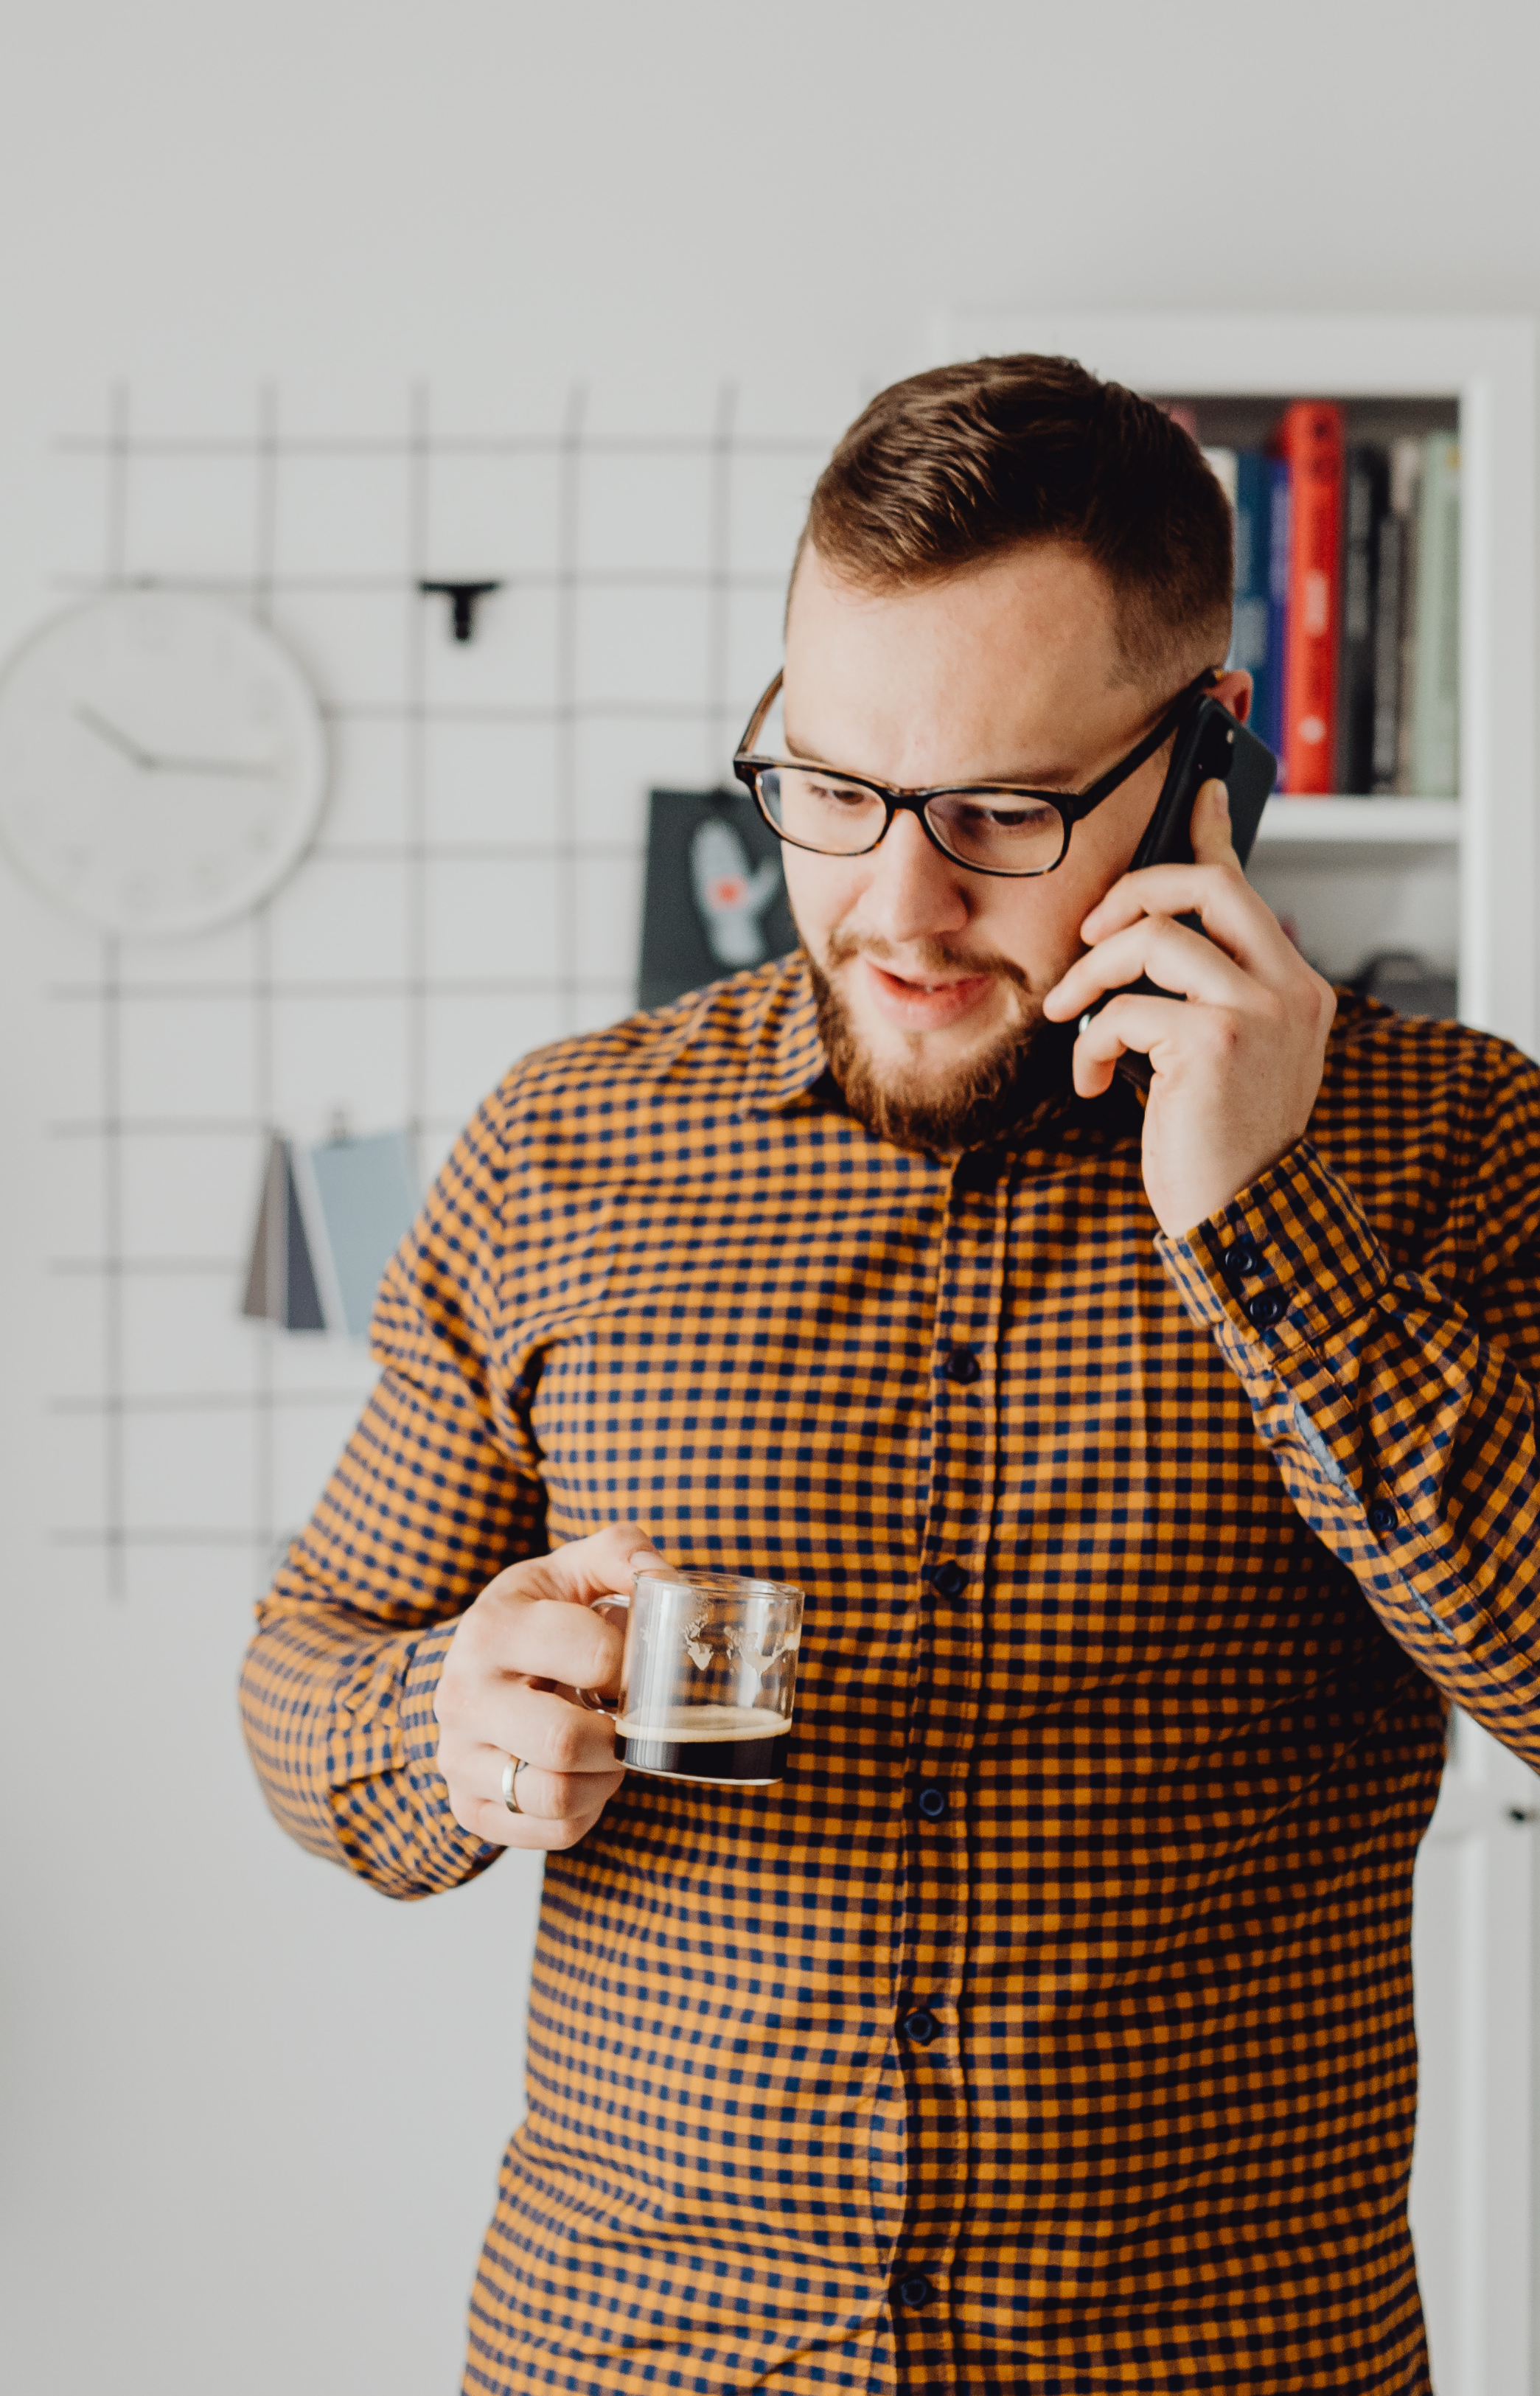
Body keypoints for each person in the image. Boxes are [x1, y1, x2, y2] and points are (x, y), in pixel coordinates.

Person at [240, 355, 1540, 2396]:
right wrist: (443, 1723)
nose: (895, 906)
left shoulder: (1454, 1149)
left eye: (1003, 813)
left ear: (1216, 768)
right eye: (830, 788)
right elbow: (314, 1652)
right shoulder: (563, 1146)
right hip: (632, 2355)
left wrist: (1268, 1235)